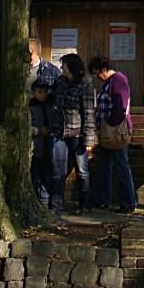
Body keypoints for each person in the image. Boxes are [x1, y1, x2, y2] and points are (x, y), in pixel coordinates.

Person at [89, 55, 137, 214]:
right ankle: (103, 200)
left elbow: (120, 106)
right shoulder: (109, 82)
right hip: (107, 132)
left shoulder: (118, 81)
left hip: (115, 132)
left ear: (103, 69)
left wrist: (108, 124)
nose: (96, 77)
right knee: (104, 166)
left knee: (121, 166)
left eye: (97, 73)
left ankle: (128, 201)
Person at [49, 53, 95, 216]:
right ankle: (55, 207)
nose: (62, 68)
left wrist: (89, 138)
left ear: (72, 68)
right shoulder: (60, 83)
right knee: (57, 171)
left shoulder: (85, 87)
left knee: (82, 171)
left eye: (64, 66)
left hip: (77, 134)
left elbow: (89, 113)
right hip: (59, 131)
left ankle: (85, 205)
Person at [29, 79, 55, 206]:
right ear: (33, 92)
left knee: (47, 177)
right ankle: (34, 200)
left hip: (48, 149)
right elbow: (24, 128)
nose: (43, 95)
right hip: (35, 150)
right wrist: (39, 131)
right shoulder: (30, 107)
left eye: (45, 92)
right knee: (35, 177)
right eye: (40, 92)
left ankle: (45, 201)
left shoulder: (49, 107)